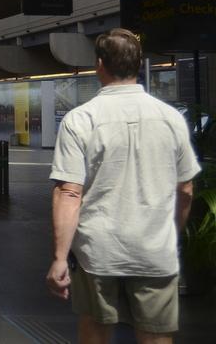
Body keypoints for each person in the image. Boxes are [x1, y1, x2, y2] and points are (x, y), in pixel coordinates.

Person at [46, 28, 200, 343]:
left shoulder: (80, 119)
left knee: (96, 329)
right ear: (137, 63)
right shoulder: (171, 119)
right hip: (154, 249)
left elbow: (69, 192)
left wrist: (60, 257)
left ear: (100, 64)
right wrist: (168, 232)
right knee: (156, 336)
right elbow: (185, 190)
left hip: (97, 251)